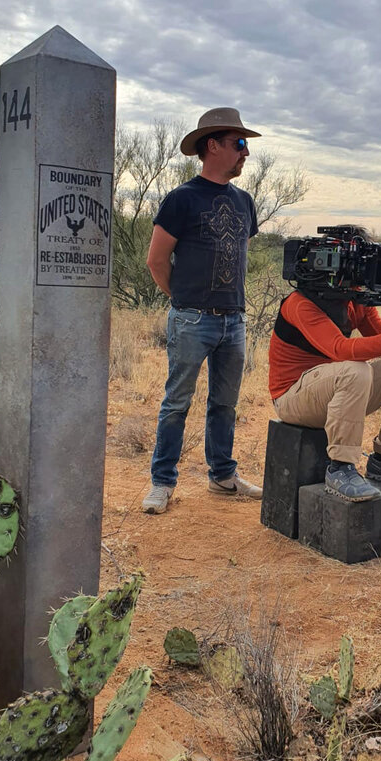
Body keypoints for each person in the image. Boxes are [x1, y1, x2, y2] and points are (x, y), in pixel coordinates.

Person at [142, 108, 264, 515]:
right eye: (239, 144)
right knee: (177, 402)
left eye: (246, 145)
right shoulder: (181, 199)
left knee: (225, 403)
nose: (246, 153)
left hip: (235, 319)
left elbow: (241, 253)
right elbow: (157, 260)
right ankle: (162, 482)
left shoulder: (245, 201)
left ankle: (222, 475)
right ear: (213, 146)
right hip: (193, 318)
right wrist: (182, 300)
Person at [269, 227, 381, 501]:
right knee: (355, 368)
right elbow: (340, 350)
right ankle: (340, 467)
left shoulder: (355, 301)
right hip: (292, 398)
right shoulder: (299, 303)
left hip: (332, 389)